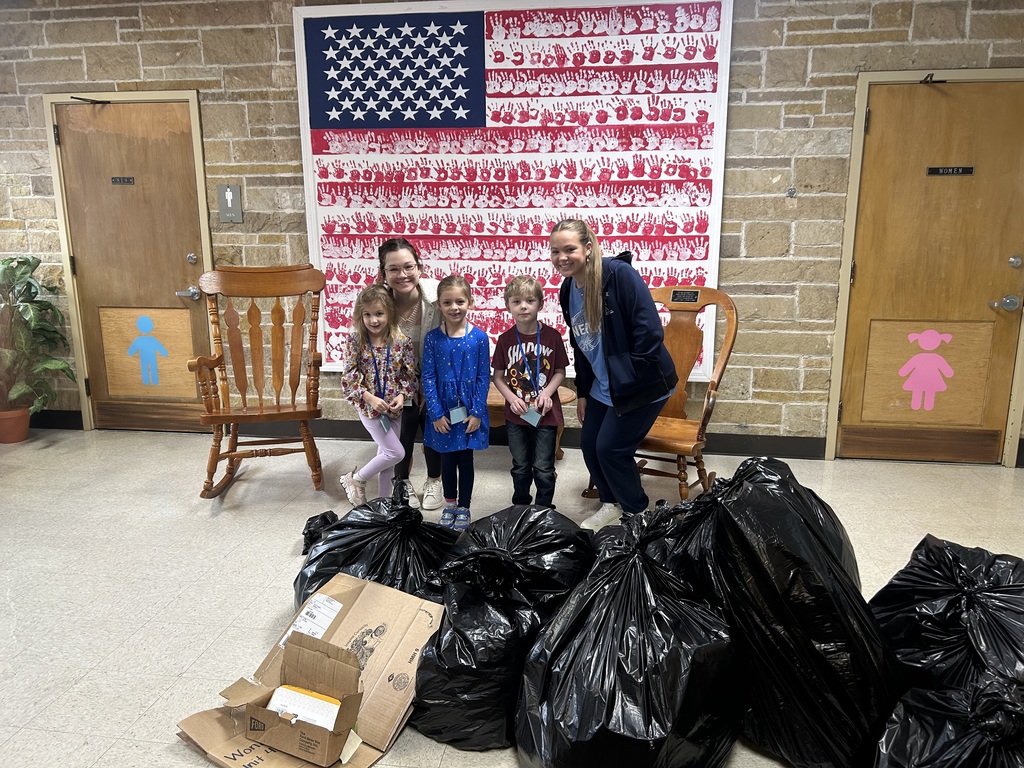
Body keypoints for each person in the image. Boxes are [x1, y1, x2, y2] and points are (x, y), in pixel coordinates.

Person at [551, 219, 678, 530]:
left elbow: (649, 333)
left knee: (611, 448)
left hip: (642, 383)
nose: (562, 257)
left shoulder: (618, 275)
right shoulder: (568, 288)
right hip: (601, 385)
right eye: (555, 251)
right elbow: (580, 345)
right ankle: (611, 504)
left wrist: (626, 381)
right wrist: (583, 392)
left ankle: (637, 512)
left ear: (588, 248)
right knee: (591, 445)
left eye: (570, 249)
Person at [377, 238, 445, 510]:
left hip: (435, 379)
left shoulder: (437, 297)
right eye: (393, 269)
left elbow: (453, 341)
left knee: (436, 426)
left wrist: (430, 388)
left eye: (408, 266)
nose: (402, 275)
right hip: (395, 383)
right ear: (383, 273)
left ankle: (434, 480)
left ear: (420, 268)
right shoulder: (377, 303)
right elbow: (365, 348)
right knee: (402, 429)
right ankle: (401, 480)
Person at [491, 275, 569, 508]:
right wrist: (511, 398)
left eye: (530, 300)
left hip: (546, 413)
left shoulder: (552, 336)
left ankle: (544, 510)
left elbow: (559, 372)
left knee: (544, 467)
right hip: (517, 414)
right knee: (520, 465)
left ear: (541, 304)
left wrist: (547, 394)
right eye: (516, 302)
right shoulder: (505, 340)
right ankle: (521, 507)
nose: (523, 306)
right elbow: (498, 377)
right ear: (508, 306)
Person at [422, 274, 491, 530]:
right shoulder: (432, 339)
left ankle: (464, 506)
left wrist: (476, 412)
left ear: (470, 302)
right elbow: (428, 377)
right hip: (443, 410)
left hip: (469, 411)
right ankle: (449, 505)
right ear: (439, 305)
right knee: (447, 460)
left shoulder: (480, 338)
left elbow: (484, 376)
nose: (454, 307)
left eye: (460, 301)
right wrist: (436, 414)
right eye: (447, 302)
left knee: (466, 459)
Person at [339, 284, 417, 505]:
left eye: (379, 314)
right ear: (360, 316)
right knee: (396, 453)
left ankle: (383, 504)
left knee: (387, 458)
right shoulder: (356, 341)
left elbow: (408, 375)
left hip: (394, 409)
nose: (374, 320)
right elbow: (349, 375)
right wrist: (369, 398)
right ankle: (356, 478)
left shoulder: (402, 341)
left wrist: (402, 396)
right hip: (369, 408)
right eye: (368, 315)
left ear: (389, 314)